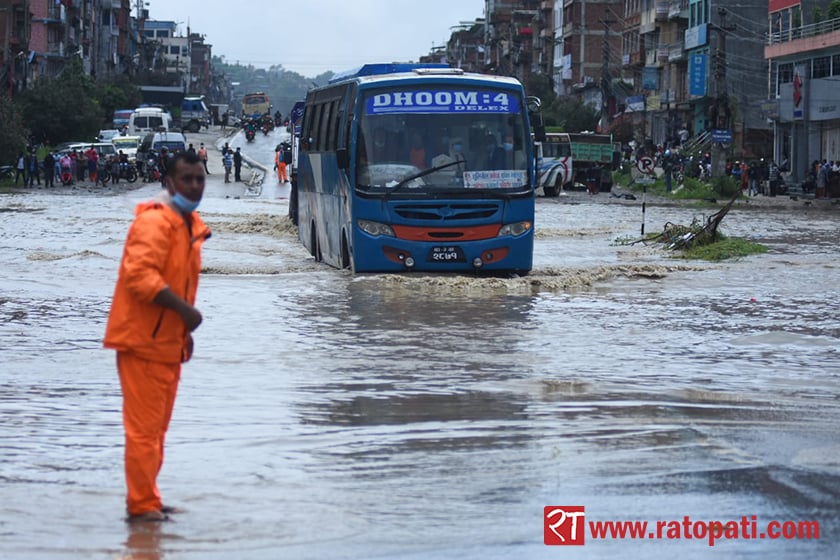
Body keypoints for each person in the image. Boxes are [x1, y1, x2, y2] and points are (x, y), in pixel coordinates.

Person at [104, 151, 210, 523]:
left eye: (200, 179)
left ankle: (148, 497)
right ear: (169, 182)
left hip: (167, 342)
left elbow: (175, 281)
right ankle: (141, 506)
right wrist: (185, 313)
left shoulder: (187, 224)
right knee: (144, 431)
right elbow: (141, 277)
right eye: (187, 179)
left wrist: (183, 330)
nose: (195, 186)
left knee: (157, 430)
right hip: (142, 342)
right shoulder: (154, 223)